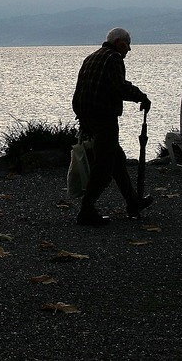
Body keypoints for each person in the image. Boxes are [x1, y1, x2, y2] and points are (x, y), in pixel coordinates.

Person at [71, 27, 153, 226]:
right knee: (104, 165)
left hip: (86, 115)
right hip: (103, 116)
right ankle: (86, 209)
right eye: (128, 44)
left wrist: (82, 118)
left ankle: (133, 202)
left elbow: (81, 88)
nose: (129, 50)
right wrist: (142, 97)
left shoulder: (92, 57)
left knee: (117, 159)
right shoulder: (114, 59)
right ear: (119, 42)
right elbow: (119, 87)